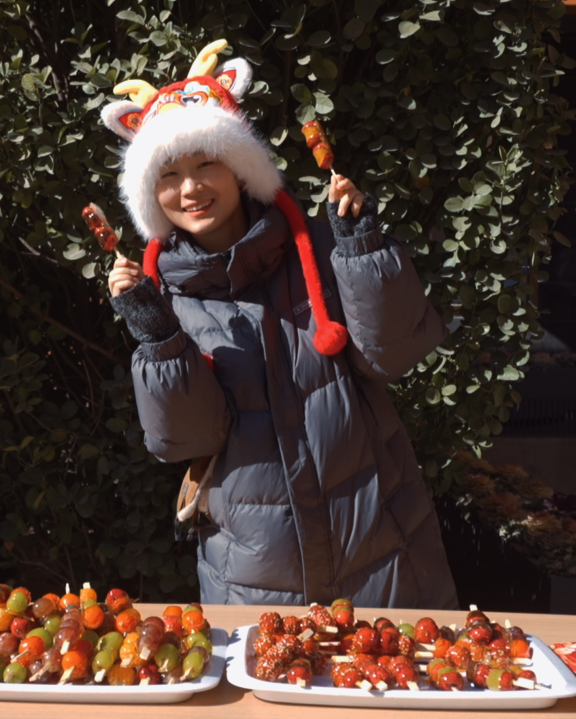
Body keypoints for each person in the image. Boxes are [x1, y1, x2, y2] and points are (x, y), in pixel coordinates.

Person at [101, 40, 457, 608]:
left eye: (206, 162)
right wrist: (158, 337)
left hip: (380, 545)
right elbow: (188, 440)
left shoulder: (317, 248)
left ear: (239, 166)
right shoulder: (164, 298)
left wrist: (363, 248)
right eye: (168, 174)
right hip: (254, 571)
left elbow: (393, 353)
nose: (190, 188)